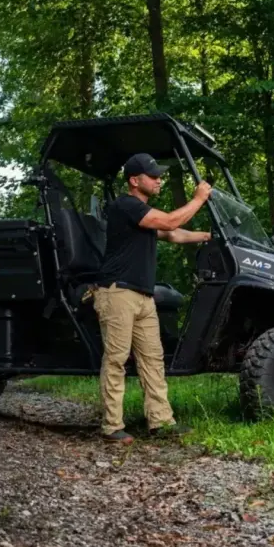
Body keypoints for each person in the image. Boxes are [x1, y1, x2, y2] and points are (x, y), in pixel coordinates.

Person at [93, 152, 212, 444]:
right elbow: (171, 222)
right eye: (153, 175)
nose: (159, 180)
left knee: (153, 360)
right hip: (117, 292)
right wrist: (199, 198)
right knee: (117, 360)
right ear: (135, 180)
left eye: (160, 176)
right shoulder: (126, 205)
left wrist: (208, 236)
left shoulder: (142, 214)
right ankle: (111, 426)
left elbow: (174, 234)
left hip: (143, 296)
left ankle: (161, 422)